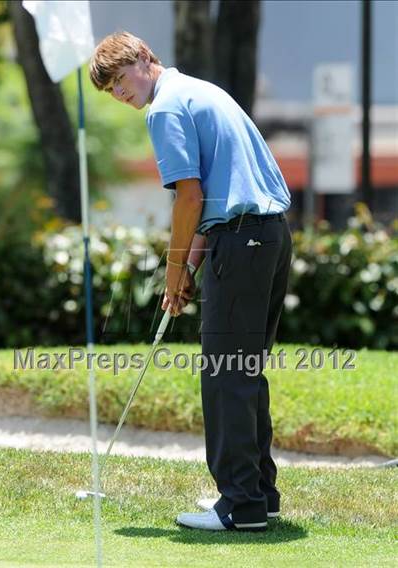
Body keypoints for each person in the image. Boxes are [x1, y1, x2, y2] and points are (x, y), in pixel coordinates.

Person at [90, 31, 292, 532]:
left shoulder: (164, 109)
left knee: (225, 374)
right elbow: (217, 199)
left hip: (241, 240)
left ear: (144, 58)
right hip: (268, 237)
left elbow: (189, 200)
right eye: (111, 91)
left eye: (120, 80)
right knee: (245, 369)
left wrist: (175, 270)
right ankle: (259, 497)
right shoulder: (203, 91)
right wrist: (189, 270)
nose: (121, 94)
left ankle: (240, 504)